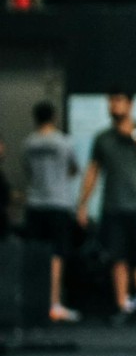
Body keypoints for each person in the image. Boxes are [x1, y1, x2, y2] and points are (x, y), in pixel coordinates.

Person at [76, 88, 136, 327]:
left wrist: (135, 136)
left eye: (118, 100)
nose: (113, 105)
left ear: (129, 104)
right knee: (118, 259)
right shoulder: (103, 138)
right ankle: (122, 306)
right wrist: (83, 204)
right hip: (114, 207)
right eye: (110, 101)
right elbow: (93, 171)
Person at [21, 102, 82, 323]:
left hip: (35, 204)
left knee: (36, 255)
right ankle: (53, 304)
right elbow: (74, 169)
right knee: (56, 256)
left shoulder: (28, 143)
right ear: (54, 117)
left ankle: (35, 305)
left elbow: (27, 170)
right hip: (58, 204)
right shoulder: (63, 142)